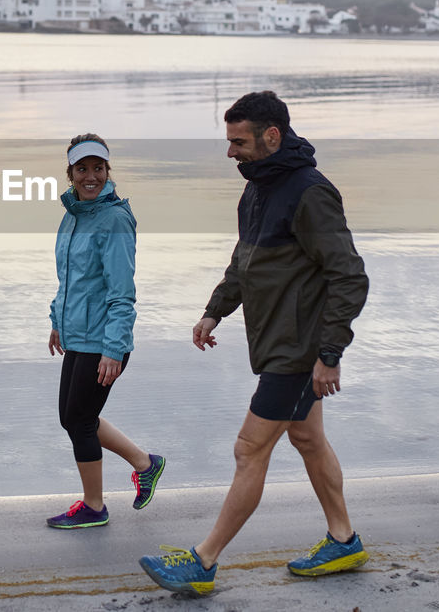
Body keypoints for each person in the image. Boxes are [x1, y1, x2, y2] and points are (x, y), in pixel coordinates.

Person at [139, 91, 369, 595]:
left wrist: (329, 354)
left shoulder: (311, 192)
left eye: (238, 142)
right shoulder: (259, 191)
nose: (230, 153)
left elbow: (350, 276)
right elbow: (247, 260)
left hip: (298, 350)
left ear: (272, 135)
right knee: (307, 438)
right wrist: (214, 310)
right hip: (280, 342)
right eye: (228, 141)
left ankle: (203, 561)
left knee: (249, 449)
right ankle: (343, 539)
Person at [46, 133, 165, 529]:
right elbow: (70, 280)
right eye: (83, 168)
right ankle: (145, 464)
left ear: (107, 170)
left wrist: (113, 349)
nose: (91, 176)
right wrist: (56, 322)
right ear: (71, 174)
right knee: (73, 417)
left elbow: (121, 293)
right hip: (78, 334)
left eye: (98, 167)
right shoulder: (73, 215)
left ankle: (94, 506)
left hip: (104, 341)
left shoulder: (114, 220)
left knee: (80, 420)